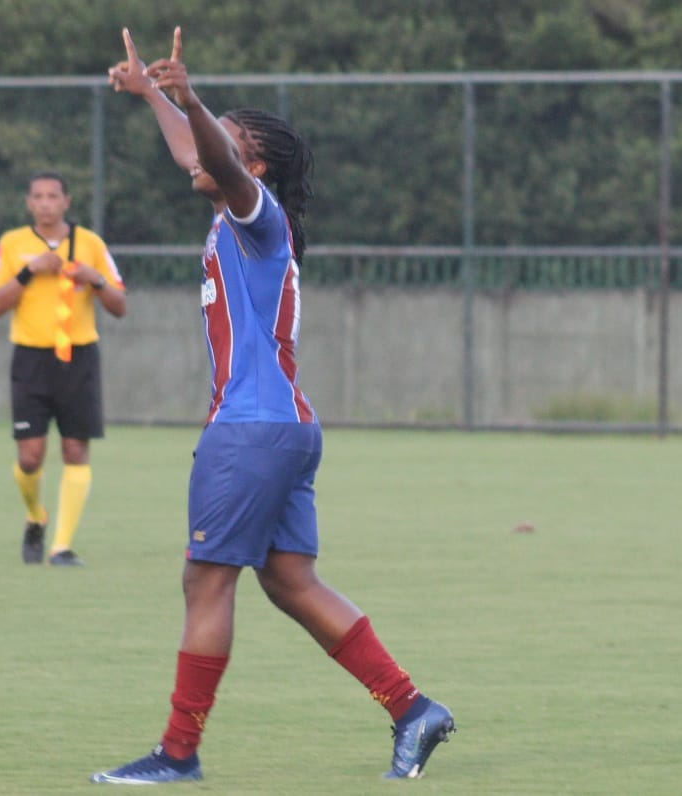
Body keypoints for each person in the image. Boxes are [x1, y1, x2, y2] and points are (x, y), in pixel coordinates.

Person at [91, 28, 454, 784]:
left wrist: (192, 101)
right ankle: (412, 710)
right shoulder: (239, 214)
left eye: (218, 140)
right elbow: (199, 157)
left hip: (252, 430)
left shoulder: (259, 216)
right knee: (290, 581)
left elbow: (214, 160)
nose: (200, 149)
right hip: (283, 425)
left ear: (251, 166)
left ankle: (177, 755)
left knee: (207, 581)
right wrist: (156, 94)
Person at [0, 170, 127, 567]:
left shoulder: (90, 244)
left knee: (75, 448)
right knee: (30, 457)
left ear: (66, 201)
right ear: (29, 203)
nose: (45, 203)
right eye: (38, 196)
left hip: (78, 356)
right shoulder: (12, 244)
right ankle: (35, 516)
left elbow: (119, 306)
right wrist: (31, 271)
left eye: (53, 196)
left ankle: (61, 547)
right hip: (30, 357)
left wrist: (94, 279)